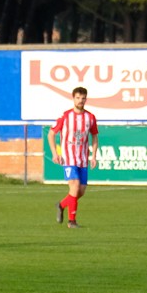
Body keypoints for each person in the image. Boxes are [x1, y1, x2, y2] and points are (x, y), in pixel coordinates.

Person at [48, 86, 99, 228]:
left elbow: (95, 136)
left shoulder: (90, 117)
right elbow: (51, 134)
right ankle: (72, 221)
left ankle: (61, 204)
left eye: (83, 98)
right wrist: (55, 153)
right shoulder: (65, 116)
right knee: (75, 186)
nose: (80, 101)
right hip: (68, 158)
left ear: (86, 99)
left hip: (83, 159)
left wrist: (94, 156)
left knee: (80, 191)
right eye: (78, 98)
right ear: (73, 98)